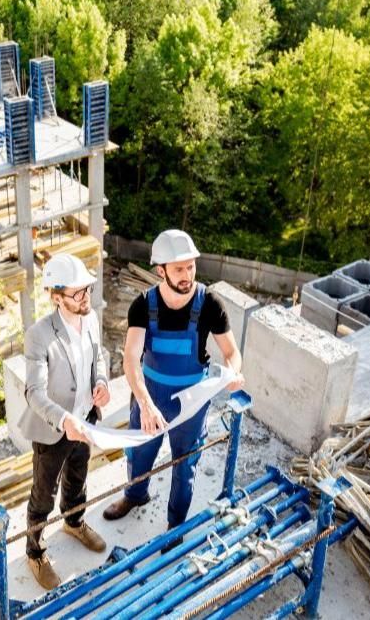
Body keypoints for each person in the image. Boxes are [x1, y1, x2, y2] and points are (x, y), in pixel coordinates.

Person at [103, 230, 244, 537]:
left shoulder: (210, 305)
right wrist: (145, 404)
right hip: (150, 396)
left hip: (191, 403)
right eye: (178, 269)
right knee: (139, 454)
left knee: (185, 465)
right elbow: (130, 359)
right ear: (160, 270)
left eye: (191, 266)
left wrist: (233, 374)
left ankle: (174, 524)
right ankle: (134, 496)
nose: (187, 275)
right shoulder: (142, 306)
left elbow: (232, 353)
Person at [18, 254, 111, 589]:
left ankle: (74, 521)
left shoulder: (92, 319)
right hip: (53, 429)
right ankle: (35, 551)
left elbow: (98, 358)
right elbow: (34, 393)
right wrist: (64, 420)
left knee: (79, 475)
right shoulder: (39, 335)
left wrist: (101, 382)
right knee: (43, 494)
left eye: (87, 290)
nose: (86, 298)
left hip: (85, 420)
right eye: (78, 294)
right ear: (56, 297)